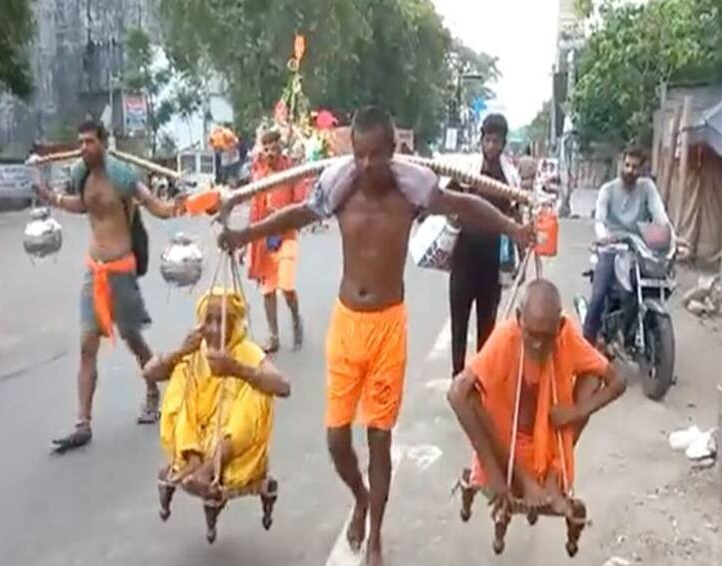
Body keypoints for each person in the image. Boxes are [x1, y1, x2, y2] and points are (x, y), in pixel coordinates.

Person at [220, 106, 533, 566]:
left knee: (380, 438)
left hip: (389, 326)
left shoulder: (413, 193)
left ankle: (376, 536)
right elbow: (295, 215)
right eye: (360, 155)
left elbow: (466, 205)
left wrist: (513, 228)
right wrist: (245, 233)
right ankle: (361, 497)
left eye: (376, 155)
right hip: (347, 324)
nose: (367, 165)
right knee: (336, 440)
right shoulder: (339, 189)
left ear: (393, 151)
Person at [35, 120, 186, 453]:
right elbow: (83, 205)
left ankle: (153, 390)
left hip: (121, 270)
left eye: (89, 142)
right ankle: (82, 423)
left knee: (133, 339)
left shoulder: (122, 176)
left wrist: (178, 206)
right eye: (80, 142)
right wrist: (54, 198)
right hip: (94, 271)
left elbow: (153, 205)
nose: (83, 148)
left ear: (103, 143)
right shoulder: (81, 175)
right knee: (87, 345)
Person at [447, 280, 626, 518]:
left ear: (560, 326)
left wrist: (575, 412)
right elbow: (455, 393)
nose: (538, 345)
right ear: (520, 318)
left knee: (592, 374)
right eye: (531, 334)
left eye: (547, 336)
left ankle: (554, 475)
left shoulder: (566, 336)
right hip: (507, 452)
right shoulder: (507, 337)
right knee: (470, 395)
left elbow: (617, 382)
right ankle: (524, 480)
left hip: (549, 446)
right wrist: (496, 476)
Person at [144, 287, 290, 500]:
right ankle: (192, 460)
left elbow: (284, 387)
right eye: (208, 321)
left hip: (231, 444)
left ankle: (209, 468)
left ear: (234, 324)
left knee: (258, 393)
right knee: (180, 373)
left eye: (221, 321)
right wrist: (180, 352)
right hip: (196, 437)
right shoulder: (194, 350)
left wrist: (236, 369)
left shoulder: (246, 352)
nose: (214, 329)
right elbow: (149, 372)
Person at [449, 113, 521, 378]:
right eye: (488, 140)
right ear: (481, 140)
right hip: (464, 255)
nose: (491, 146)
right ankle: (457, 376)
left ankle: (481, 378)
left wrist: (520, 257)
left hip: (492, 259)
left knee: (487, 323)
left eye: (497, 141)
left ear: (504, 143)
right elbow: (446, 198)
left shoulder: (509, 176)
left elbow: (516, 215)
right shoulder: (466, 169)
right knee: (459, 320)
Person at [583, 146, 670, 344]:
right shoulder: (608, 190)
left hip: (638, 246)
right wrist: (604, 237)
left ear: (642, 169)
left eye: (636, 167)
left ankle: (635, 330)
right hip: (612, 246)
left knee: (655, 283)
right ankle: (586, 343)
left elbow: (659, 213)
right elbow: (600, 219)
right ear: (622, 163)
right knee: (598, 296)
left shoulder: (647, 187)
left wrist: (669, 234)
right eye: (628, 165)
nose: (631, 170)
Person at [248, 129, 305, 353]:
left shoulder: (292, 172)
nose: (271, 152)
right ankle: (274, 337)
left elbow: (300, 203)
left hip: (287, 236)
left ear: (280, 148)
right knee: (268, 291)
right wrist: (248, 242)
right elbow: (254, 208)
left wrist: (284, 224)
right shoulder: (259, 174)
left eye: (274, 147)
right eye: (267, 148)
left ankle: (295, 318)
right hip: (264, 239)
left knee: (287, 285)